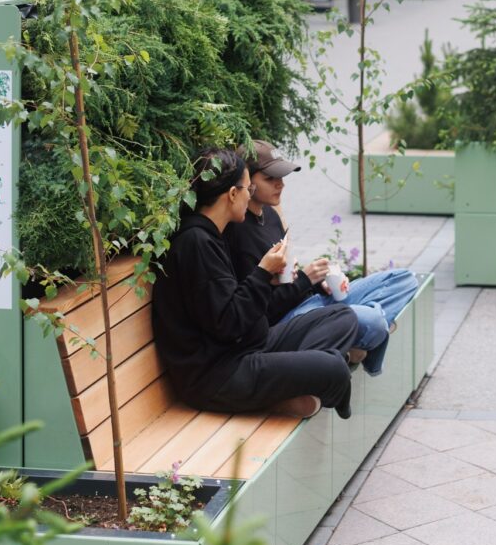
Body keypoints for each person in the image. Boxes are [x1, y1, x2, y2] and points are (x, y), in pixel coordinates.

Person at [152, 148, 358, 420]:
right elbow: (228, 324)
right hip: (218, 375)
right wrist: (262, 274)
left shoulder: (212, 235)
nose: (250, 195)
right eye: (248, 188)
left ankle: (292, 379)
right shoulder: (196, 244)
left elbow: (229, 307)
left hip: (249, 347)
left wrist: (269, 280)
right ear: (232, 194)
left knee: (341, 316)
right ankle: (301, 381)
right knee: (333, 368)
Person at [223, 141, 419, 377]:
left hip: (311, 302)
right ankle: (363, 335)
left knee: (405, 280)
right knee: (374, 321)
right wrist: (305, 280)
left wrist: (319, 282)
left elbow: (288, 278)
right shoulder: (239, 233)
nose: (281, 184)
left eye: (282, 177)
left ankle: (356, 340)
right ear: (248, 181)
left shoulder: (272, 216)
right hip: (288, 322)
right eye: (270, 178)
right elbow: (261, 311)